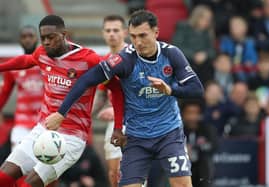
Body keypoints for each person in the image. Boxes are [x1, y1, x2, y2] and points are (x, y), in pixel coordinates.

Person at [45, 10, 204, 187]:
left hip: (169, 134)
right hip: (136, 137)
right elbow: (86, 80)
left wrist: (169, 89)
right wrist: (61, 113)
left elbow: (196, 89)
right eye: (134, 36)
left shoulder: (172, 54)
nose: (138, 42)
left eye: (143, 35)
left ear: (156, 33)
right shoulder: (125, 60)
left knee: (182, 185)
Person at [0, 15, 124, 187]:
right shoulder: (42, 53)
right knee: (4, 177)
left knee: (29, 184)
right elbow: (26, 61)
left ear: (64, 34)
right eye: (43, 38)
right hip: (42, 130)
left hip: (71, 138)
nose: (47, 42)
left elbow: (116, 89)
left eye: (51, 37)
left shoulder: (89, 60)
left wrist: (118, 127)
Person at [0, 25, 44, 149]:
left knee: (41, 165)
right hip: (22, 123)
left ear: (37, 39)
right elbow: (4, 93)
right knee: (17, 163)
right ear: (20, 40)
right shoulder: (14, 67)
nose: (27, 39)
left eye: (31, 36)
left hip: (43, 123)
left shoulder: (46, 63)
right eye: (24, 36)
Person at [96, 15, 127, 187]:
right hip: (115, 124)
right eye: (108, 30)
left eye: (116, 30)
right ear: (103, 34)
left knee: (132, 172)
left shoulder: (133, 56)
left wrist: (115, 111)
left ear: (125, 32)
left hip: (135, 121)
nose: (112, 34)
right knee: (114, 173)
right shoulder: (105, 62)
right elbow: (101, 95)